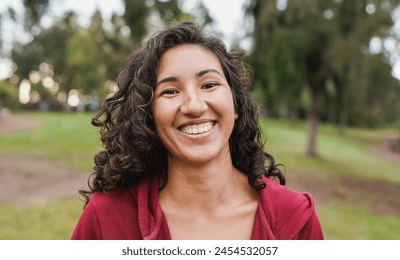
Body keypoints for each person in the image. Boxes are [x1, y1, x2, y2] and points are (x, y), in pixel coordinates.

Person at [71, 21, 324, 240]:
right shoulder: (107, 218)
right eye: (170, 91)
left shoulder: (297, 219)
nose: (194, 106)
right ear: (148, 117)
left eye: (209, 84)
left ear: (235, 104)